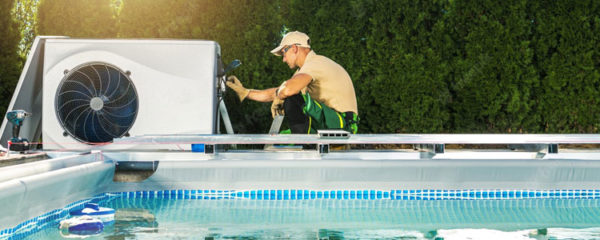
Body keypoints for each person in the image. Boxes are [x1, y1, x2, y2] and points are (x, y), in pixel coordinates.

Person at [226, 31, 359, 134]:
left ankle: (305, 145)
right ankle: (302, 144)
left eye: (284, 53)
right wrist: (245, 92)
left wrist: (281, 95)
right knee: (282, 140)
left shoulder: (316, 63)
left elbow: (287, 91)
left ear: (294, 48)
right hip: (331, 121)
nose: (283, 59)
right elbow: (278, 91)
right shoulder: (304, 71)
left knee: (292, 99)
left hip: (344, 124)